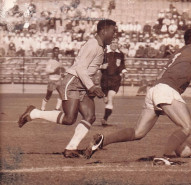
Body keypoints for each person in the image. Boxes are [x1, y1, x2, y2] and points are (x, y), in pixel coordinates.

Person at [85, 29, 191, 165]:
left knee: (138, 132)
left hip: (155, 89)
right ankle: (164, 156)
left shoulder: (178, 53)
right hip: (166, 90)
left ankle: (103, 140)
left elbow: (160, 75)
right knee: (187, 127)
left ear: (185, 40)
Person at [18, 19, 117, 158]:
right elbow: (81, 69)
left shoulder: (100, 46)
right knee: (69, 119)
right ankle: (34, 113)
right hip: (73, 81)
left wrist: (92, 85)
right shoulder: (92, 45)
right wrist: (92, 87)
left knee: (90, 117)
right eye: (113, 31)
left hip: (83, 84)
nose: (115, 34)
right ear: (103, 31)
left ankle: (71, 148)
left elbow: (89, 69)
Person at [100, 38, 127, 126]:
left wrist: (124, 71)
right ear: (110, 44)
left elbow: (122, 65)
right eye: (113, 42)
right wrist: (101, 66)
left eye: (116, 43)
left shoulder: (120, 54)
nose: (115, 44)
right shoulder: (104, 53)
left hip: (115, 79)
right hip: (105, 79)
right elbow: (97, 63)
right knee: (107, 98)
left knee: (110, 99)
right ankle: (104, 95)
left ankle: (105, 119)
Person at [41, 47, 64, 111]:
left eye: (57, 51)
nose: (56, 53)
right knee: (48, 95)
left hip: (58, 80)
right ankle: (42, 108)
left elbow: (60, 69)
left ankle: (57, 108)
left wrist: (62, 73)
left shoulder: (60, 61)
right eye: (55, 51)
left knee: (62, 94)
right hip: (52, 80)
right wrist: (54, 70)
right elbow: (47, 70)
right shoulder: (50, 61)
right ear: (53, 52)